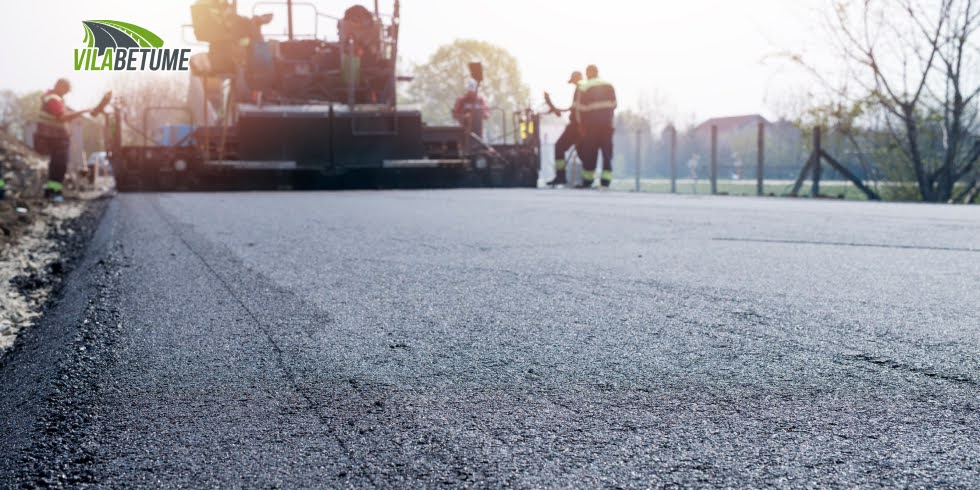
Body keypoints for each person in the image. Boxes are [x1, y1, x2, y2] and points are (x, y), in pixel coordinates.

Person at [35, 79, 92, 201]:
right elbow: (62, 117)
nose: (66, 93)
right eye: (66, 90)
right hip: (54, 137)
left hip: (55, 137)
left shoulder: (52, 98)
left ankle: (52, 191)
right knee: (59, 165)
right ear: (60, 87)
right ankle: (54, 192)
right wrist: (83, 111)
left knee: (56, 165)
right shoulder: (53, 99)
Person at [574, 64, 617, 189]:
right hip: (607, 125)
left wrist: (581, 125)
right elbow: (614, 104)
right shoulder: (609, 85)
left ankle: (588, 180)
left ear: (588, 73)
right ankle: (605, 181)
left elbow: (579, 109)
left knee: (590, 153)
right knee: (607, 153)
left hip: (591, 126)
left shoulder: (584, 87)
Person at [545, 70, 583, 187]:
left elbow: (576, 109)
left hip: (576, 126)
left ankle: (561, 176)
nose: (573, 83)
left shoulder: (581, 89)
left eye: (573, 81)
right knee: (582, 151)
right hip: (581, 125)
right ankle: (586, 180)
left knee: (560, 147)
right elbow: (573, 108)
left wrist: (558, 110)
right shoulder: (582, 89)